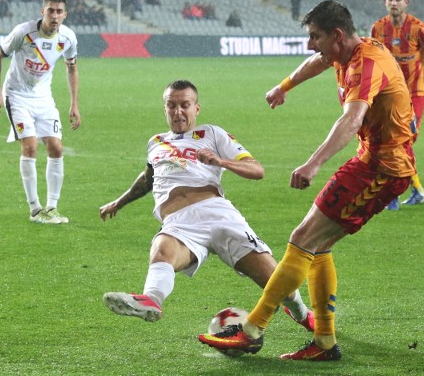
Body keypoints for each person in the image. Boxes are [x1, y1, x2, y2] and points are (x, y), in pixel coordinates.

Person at [199, 0, 416, 360]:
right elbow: (318, 61)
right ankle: (325, 342)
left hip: (382, 169)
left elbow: (350, 120)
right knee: (316, 246)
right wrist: (285, 85)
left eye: (315, 36)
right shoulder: (345, 53)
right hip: (372, 160)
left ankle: (252, 330)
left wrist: (313, 164)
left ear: (337, 35)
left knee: (302, 239)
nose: (310, 44)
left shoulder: (366, 65)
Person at [99, 79, 314, 331]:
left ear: (196, 108)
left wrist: (221, 161)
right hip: (178, 222)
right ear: (164, 108)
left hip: (217, 214)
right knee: (161, 248)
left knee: (278, 284)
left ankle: (304, 315)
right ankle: (151, 300)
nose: (178, 111)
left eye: (185, 105)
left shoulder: (211, 134)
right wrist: (120, 202)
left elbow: (257, 170)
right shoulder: (155, 142)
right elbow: (148, 178)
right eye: (171, 106)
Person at [0, 0, 80, 224]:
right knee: (30, 147)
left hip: (43, 98)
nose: (55, 15)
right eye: (51, 10)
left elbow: (71, 67)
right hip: (17, 95)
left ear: (65, 14)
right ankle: (34, 209)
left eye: (59, 11)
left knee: (56, 148)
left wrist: (74, 104)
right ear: (43, 11)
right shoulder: (24, 32)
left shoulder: (68, 38)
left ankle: (51, 208)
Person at [370, 0, 424, 209]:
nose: (393, 3)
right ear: (385, 2)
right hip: (388, 95)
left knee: (403, 140)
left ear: (406, 3)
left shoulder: (418, 28)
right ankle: (413, 190)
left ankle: (394, 192)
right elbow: (371, 61)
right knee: (390, 141)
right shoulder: (377, 29)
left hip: (415, 94)